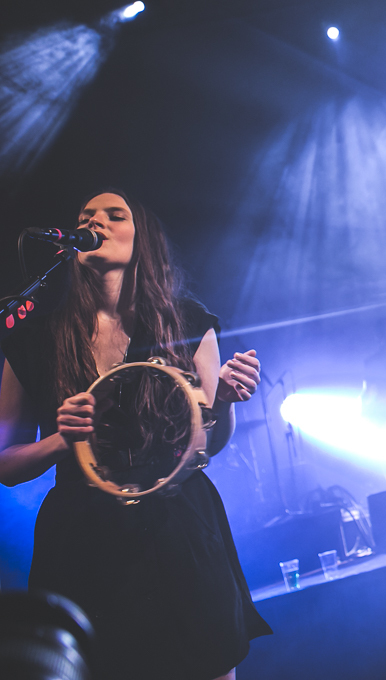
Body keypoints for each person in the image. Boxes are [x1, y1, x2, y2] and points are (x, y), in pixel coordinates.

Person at [0, 190, 272, 680]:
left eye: (114, 214)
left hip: (178, 524)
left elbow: (205, 443)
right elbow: (5, 462)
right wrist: (60, 440)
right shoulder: (35, 338)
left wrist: (226, 402)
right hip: (84, 537)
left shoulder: (187, 321)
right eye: (85, 217)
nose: (95, 222)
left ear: (142, 238)